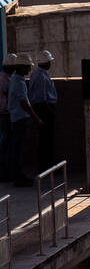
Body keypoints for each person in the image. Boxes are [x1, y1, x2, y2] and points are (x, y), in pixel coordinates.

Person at [7, 54, 43, 186]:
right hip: (20, 119)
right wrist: (37, 118)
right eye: (27, 67)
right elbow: (24, 104)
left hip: (16, 118)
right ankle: (19, 177)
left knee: (17, 148)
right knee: (19, 149)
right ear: (21, 67)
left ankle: (18, 175)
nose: (29, 70)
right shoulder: (19, 83)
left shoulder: (14, 81)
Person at [30, 49, 58, 174]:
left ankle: (45, 165)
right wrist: (49, 112)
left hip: (41, 109)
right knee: (46, 139)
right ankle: (46, 167)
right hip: (44, 110)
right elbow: (42, 98)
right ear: (46, 63)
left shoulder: (37, 74)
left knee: (44, 139)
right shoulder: (41, 77)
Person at [0, 55, 13, 181]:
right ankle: (5, 171)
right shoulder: (5, 80)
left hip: (5, 113)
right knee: (6, 143)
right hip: (5, 114)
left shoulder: (6, 78)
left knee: (7, 143)